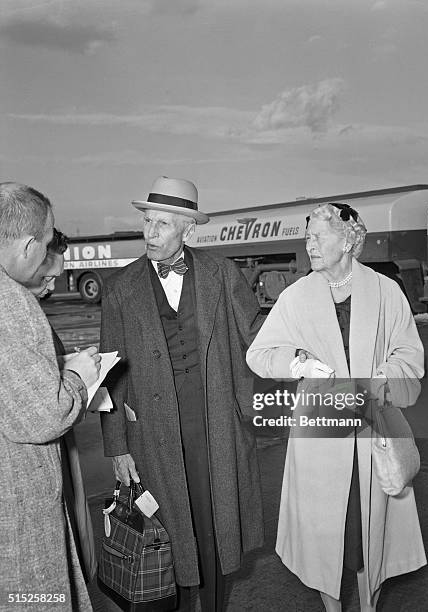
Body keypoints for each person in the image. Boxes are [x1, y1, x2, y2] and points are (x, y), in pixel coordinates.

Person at [246, 202, 426, 612]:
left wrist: (381, 378)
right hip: (319, 439)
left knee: (370, 537)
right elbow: (259, 354)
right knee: (327, 539)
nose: (309, 244)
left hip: (373, 432)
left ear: (348, 240)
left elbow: (410, 359)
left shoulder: (385, 291)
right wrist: (297, 361)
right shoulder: (295, 296)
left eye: (317, 236)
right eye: (307, 236)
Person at [100, 176, 264, 611]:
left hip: (214, 423)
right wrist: (117, 447)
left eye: (162, 225)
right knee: (166, 536)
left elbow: (256, 336)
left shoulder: (220, 273)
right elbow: (108, 375)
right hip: (151, 433)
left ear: (188, 230)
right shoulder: (120, 288)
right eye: (147, 222)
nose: (150, 233)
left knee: (213, 530)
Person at [0, 182, 101, 611]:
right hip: (16, 501)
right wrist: (76, 378)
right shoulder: (12, 304)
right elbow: (43, 416)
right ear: (27, 246)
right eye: (45, 242)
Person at [24, 228, 97, 584]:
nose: (53, 287)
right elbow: (44, 410)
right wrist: (79, 379)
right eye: (48, 276)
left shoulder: (32, 312)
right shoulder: (19, 319)